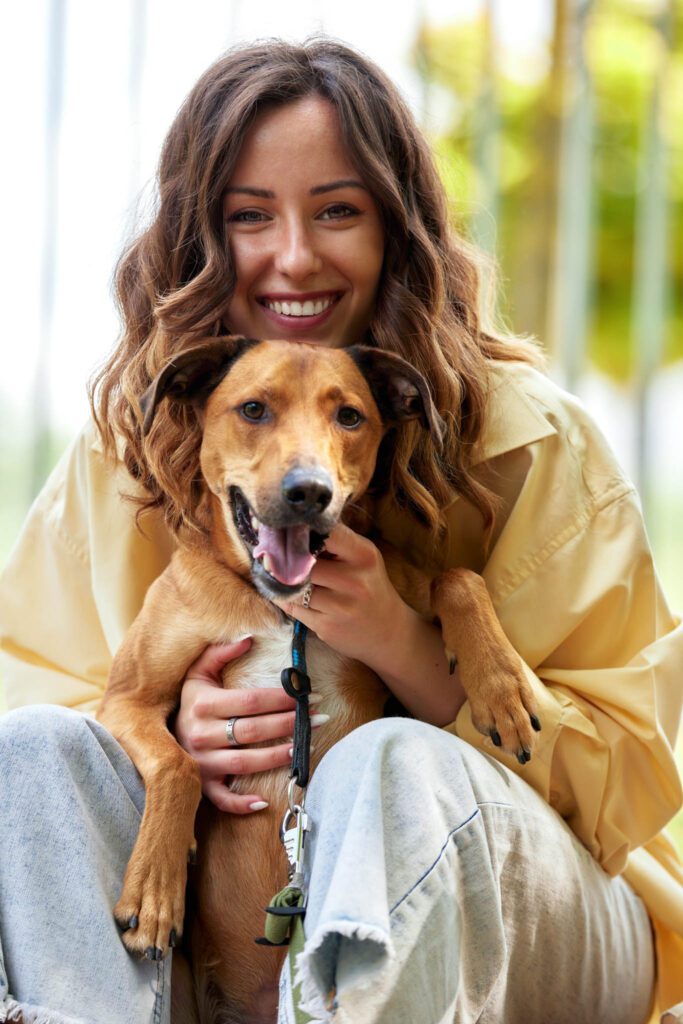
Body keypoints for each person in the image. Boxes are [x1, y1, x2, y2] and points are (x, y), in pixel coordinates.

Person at [0, 37, 682, 1024]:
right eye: (247, 216)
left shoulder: (534, 438)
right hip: (212, 928)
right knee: (29, 751)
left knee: (385, 765)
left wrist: (412, 655)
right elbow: (39, 712)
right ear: (200, 236)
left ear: (395, 231)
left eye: (336, 211)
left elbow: (632, 786)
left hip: (548, 915)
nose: (292, 255)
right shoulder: (134, 443)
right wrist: (165, 733)